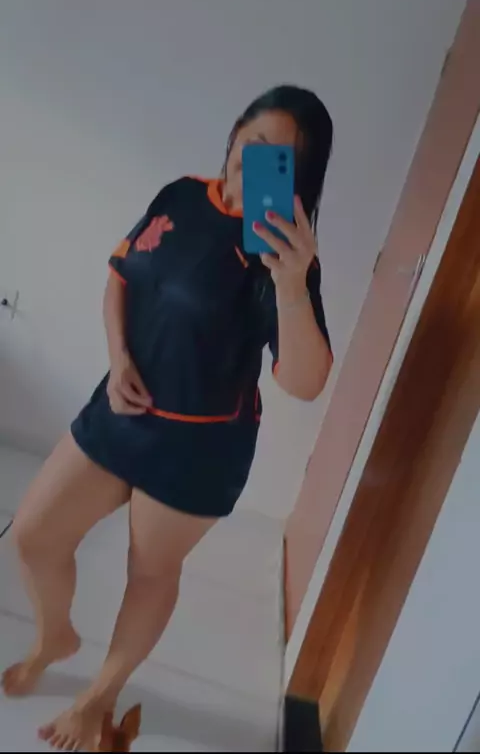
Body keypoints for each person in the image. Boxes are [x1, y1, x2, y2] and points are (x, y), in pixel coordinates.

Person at [1, 85, 334, 751]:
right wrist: (117, 355)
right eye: (253, 140)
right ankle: (55, 637)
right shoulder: (182, 195)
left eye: (279, 158)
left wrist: (292, 286)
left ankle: (99, 698)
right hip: (120, 412)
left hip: (199, 448)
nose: (256, 161)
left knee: (149, 572)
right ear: (235, 133)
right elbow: (122, 276)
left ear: (297, 177)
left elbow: (305, 382)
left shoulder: (282, 257)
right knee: (33, 536)